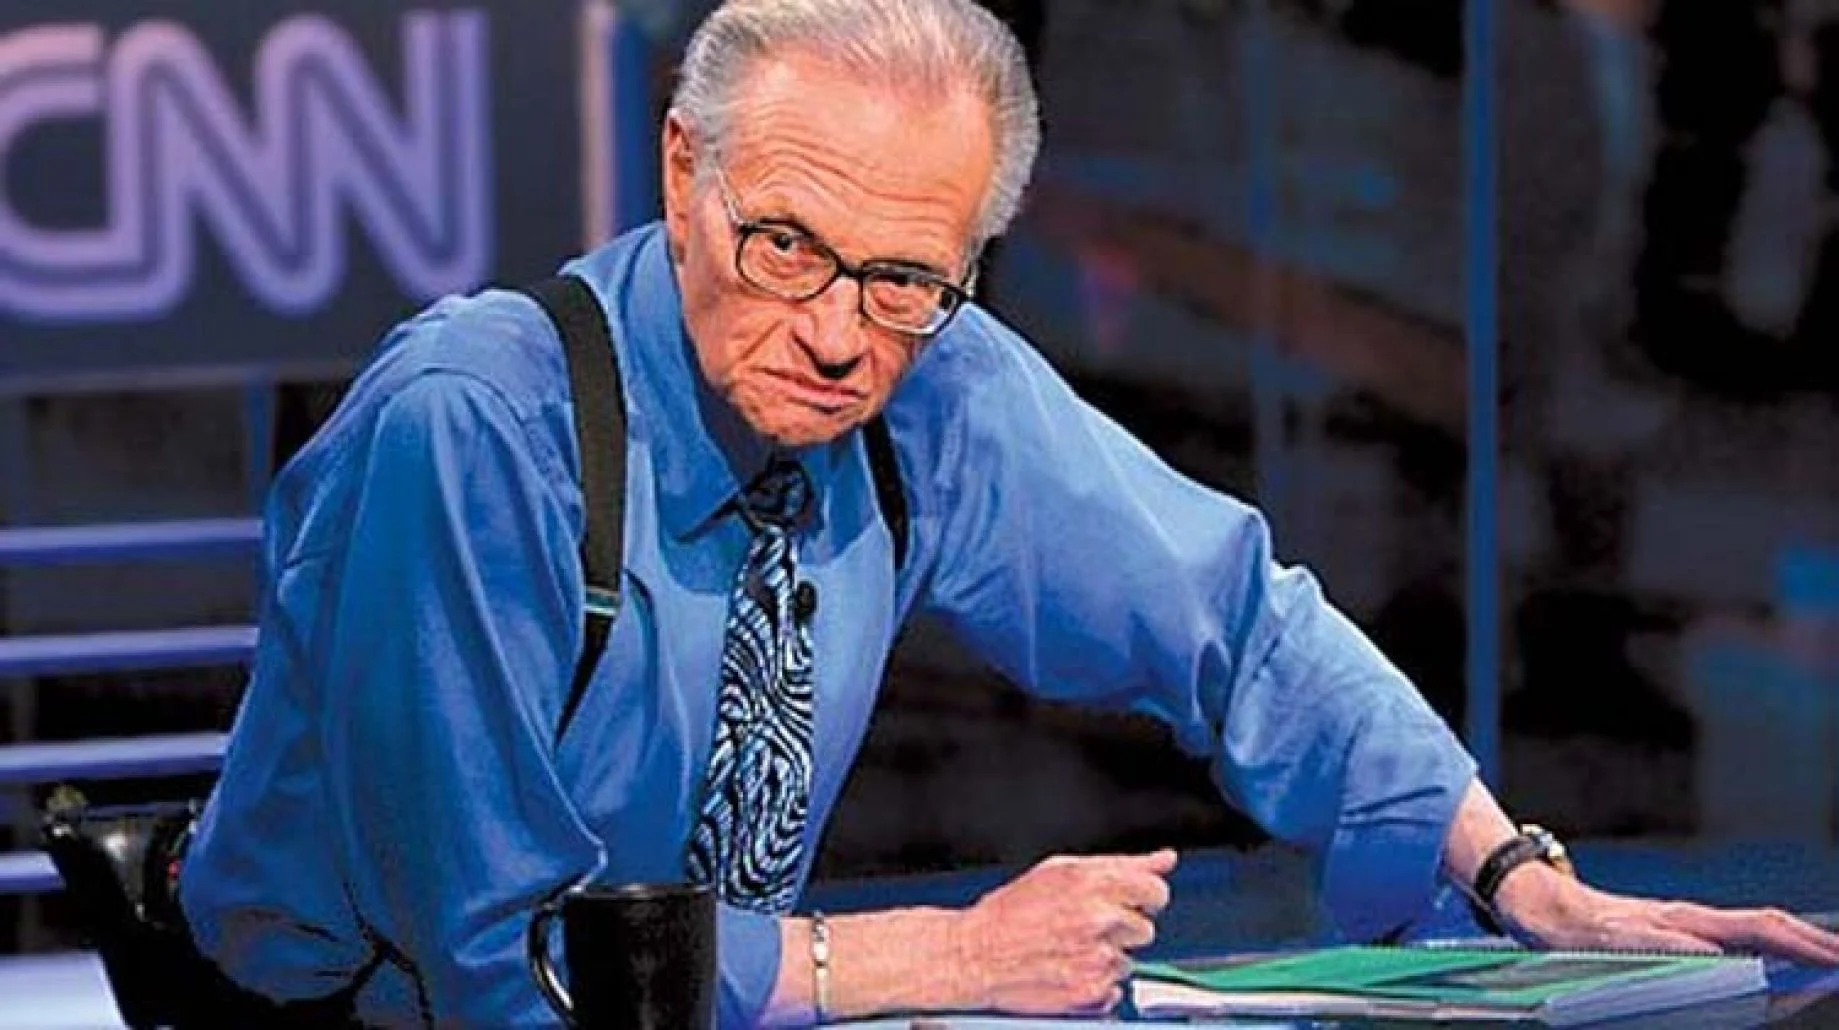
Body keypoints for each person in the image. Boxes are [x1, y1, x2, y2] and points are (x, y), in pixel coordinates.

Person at [178, 0, 1839, 1026]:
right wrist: (938, 956)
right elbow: (502, 960)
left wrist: (1513, 870)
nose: (840, 332)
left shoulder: (930, 376)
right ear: (682, 176)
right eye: (786, 247)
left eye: (906, 276)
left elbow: (1236, 619)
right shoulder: (474, 422)